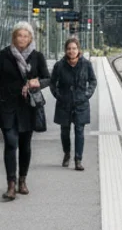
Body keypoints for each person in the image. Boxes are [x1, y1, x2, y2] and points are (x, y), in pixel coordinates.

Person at [0, 21, 50, 201]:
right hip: (7, 106)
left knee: (25, 145)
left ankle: (23, 180)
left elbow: (47, 78)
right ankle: (11, 184)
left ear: (30, 38)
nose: (22, 38)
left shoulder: (37, 56)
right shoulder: (4, 55)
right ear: (14, 37)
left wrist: (38, 82)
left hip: (27, 106)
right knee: (11, 143)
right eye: (19, 35)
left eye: (26, 36)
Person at [50, 37, 96, 171]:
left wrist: (87, 94)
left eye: (74, 48)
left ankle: (78, 159)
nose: (71, 51)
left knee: (79, 131)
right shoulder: (59, 65)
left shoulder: (86, 64)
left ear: (78, 50)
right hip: (64, 102)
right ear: (65, 50)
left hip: (81, 102)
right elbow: (52, 83)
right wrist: (58, 95)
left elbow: (93, 81)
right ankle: (67, 153)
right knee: (64, 131)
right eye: (69, 49)